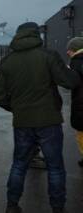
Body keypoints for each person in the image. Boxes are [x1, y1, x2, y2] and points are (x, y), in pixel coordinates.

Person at [0, 22, 80, 213]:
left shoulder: (7, 61)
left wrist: (15, 107)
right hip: (49, 122)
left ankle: (12, 205)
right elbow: (69, 81)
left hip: (22, 122)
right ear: (36, 35)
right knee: (55, 166)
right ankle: (57, 208)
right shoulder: (48, 56)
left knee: (19, 164)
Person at [66, 37, 83, 167]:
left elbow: (71, 83)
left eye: (70, 50)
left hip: (81, 103)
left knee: (81, 133)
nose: (67, 52)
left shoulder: (77, 62)